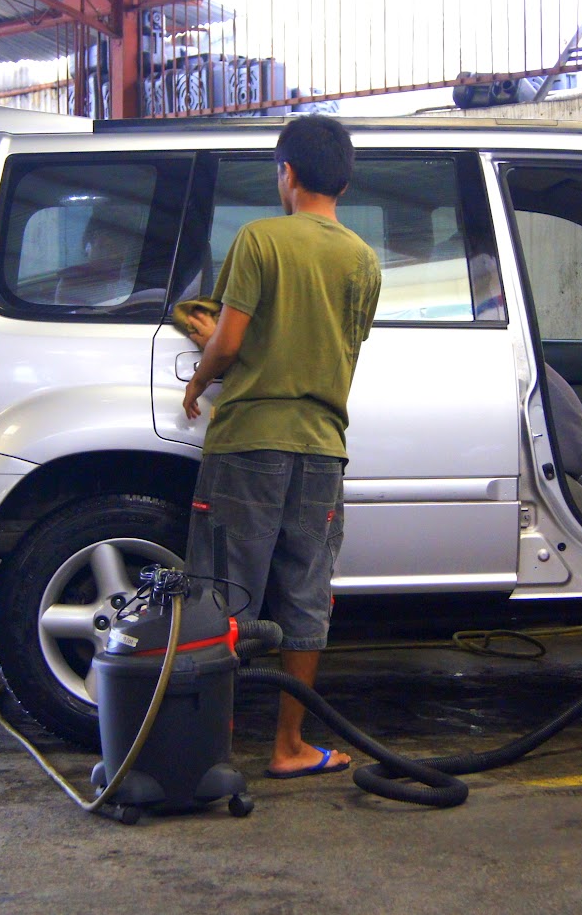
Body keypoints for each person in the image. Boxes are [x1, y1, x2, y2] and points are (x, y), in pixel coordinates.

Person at [180, 115, 382, 779]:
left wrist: (200, 373)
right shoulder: (363, 260)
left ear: (286, 174)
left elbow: (232, 342)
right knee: (305, 594)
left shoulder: (260, 238)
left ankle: (207, 745)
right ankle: (289, 745)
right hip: (323, 448)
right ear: (345, 182)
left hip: (249, 443)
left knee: (224, 590)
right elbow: (340, 345)